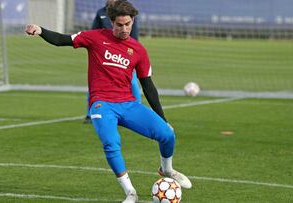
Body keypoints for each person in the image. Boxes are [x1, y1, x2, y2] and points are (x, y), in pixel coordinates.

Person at [25, 0, 192, 202]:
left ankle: (167, 169)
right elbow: (62, 40)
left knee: (167, 134)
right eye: (119, 25)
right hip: (102, 104)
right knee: (111, 143)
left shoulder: (138, 50)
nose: (124, 29)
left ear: (133, 22)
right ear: (112, 22)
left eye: (128, 24)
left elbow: (148, 86)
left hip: (128, 104)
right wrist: (40, 30)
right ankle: (131, 193)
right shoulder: (94, 38)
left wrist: (162, 118)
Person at [84, 0, 141, 124]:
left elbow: (134, 35)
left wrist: (133, 53)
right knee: (95, 84)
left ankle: (137, 109)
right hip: (105, 54)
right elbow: (93, 32)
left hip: (125, 53)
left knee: (133, 82)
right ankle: (90, 114)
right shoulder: (101, 12)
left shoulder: (126, 12)